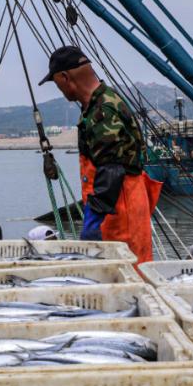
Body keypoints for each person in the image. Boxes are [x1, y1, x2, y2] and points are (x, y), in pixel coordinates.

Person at [40, 46, 160, 264]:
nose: (60, 90)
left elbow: (111, 169)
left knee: (128, 273)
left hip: (120, 210)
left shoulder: (102, 111)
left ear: (66, 77)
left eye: (57, 84)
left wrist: (93, 220)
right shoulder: (99, 104)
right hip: (116, 206)